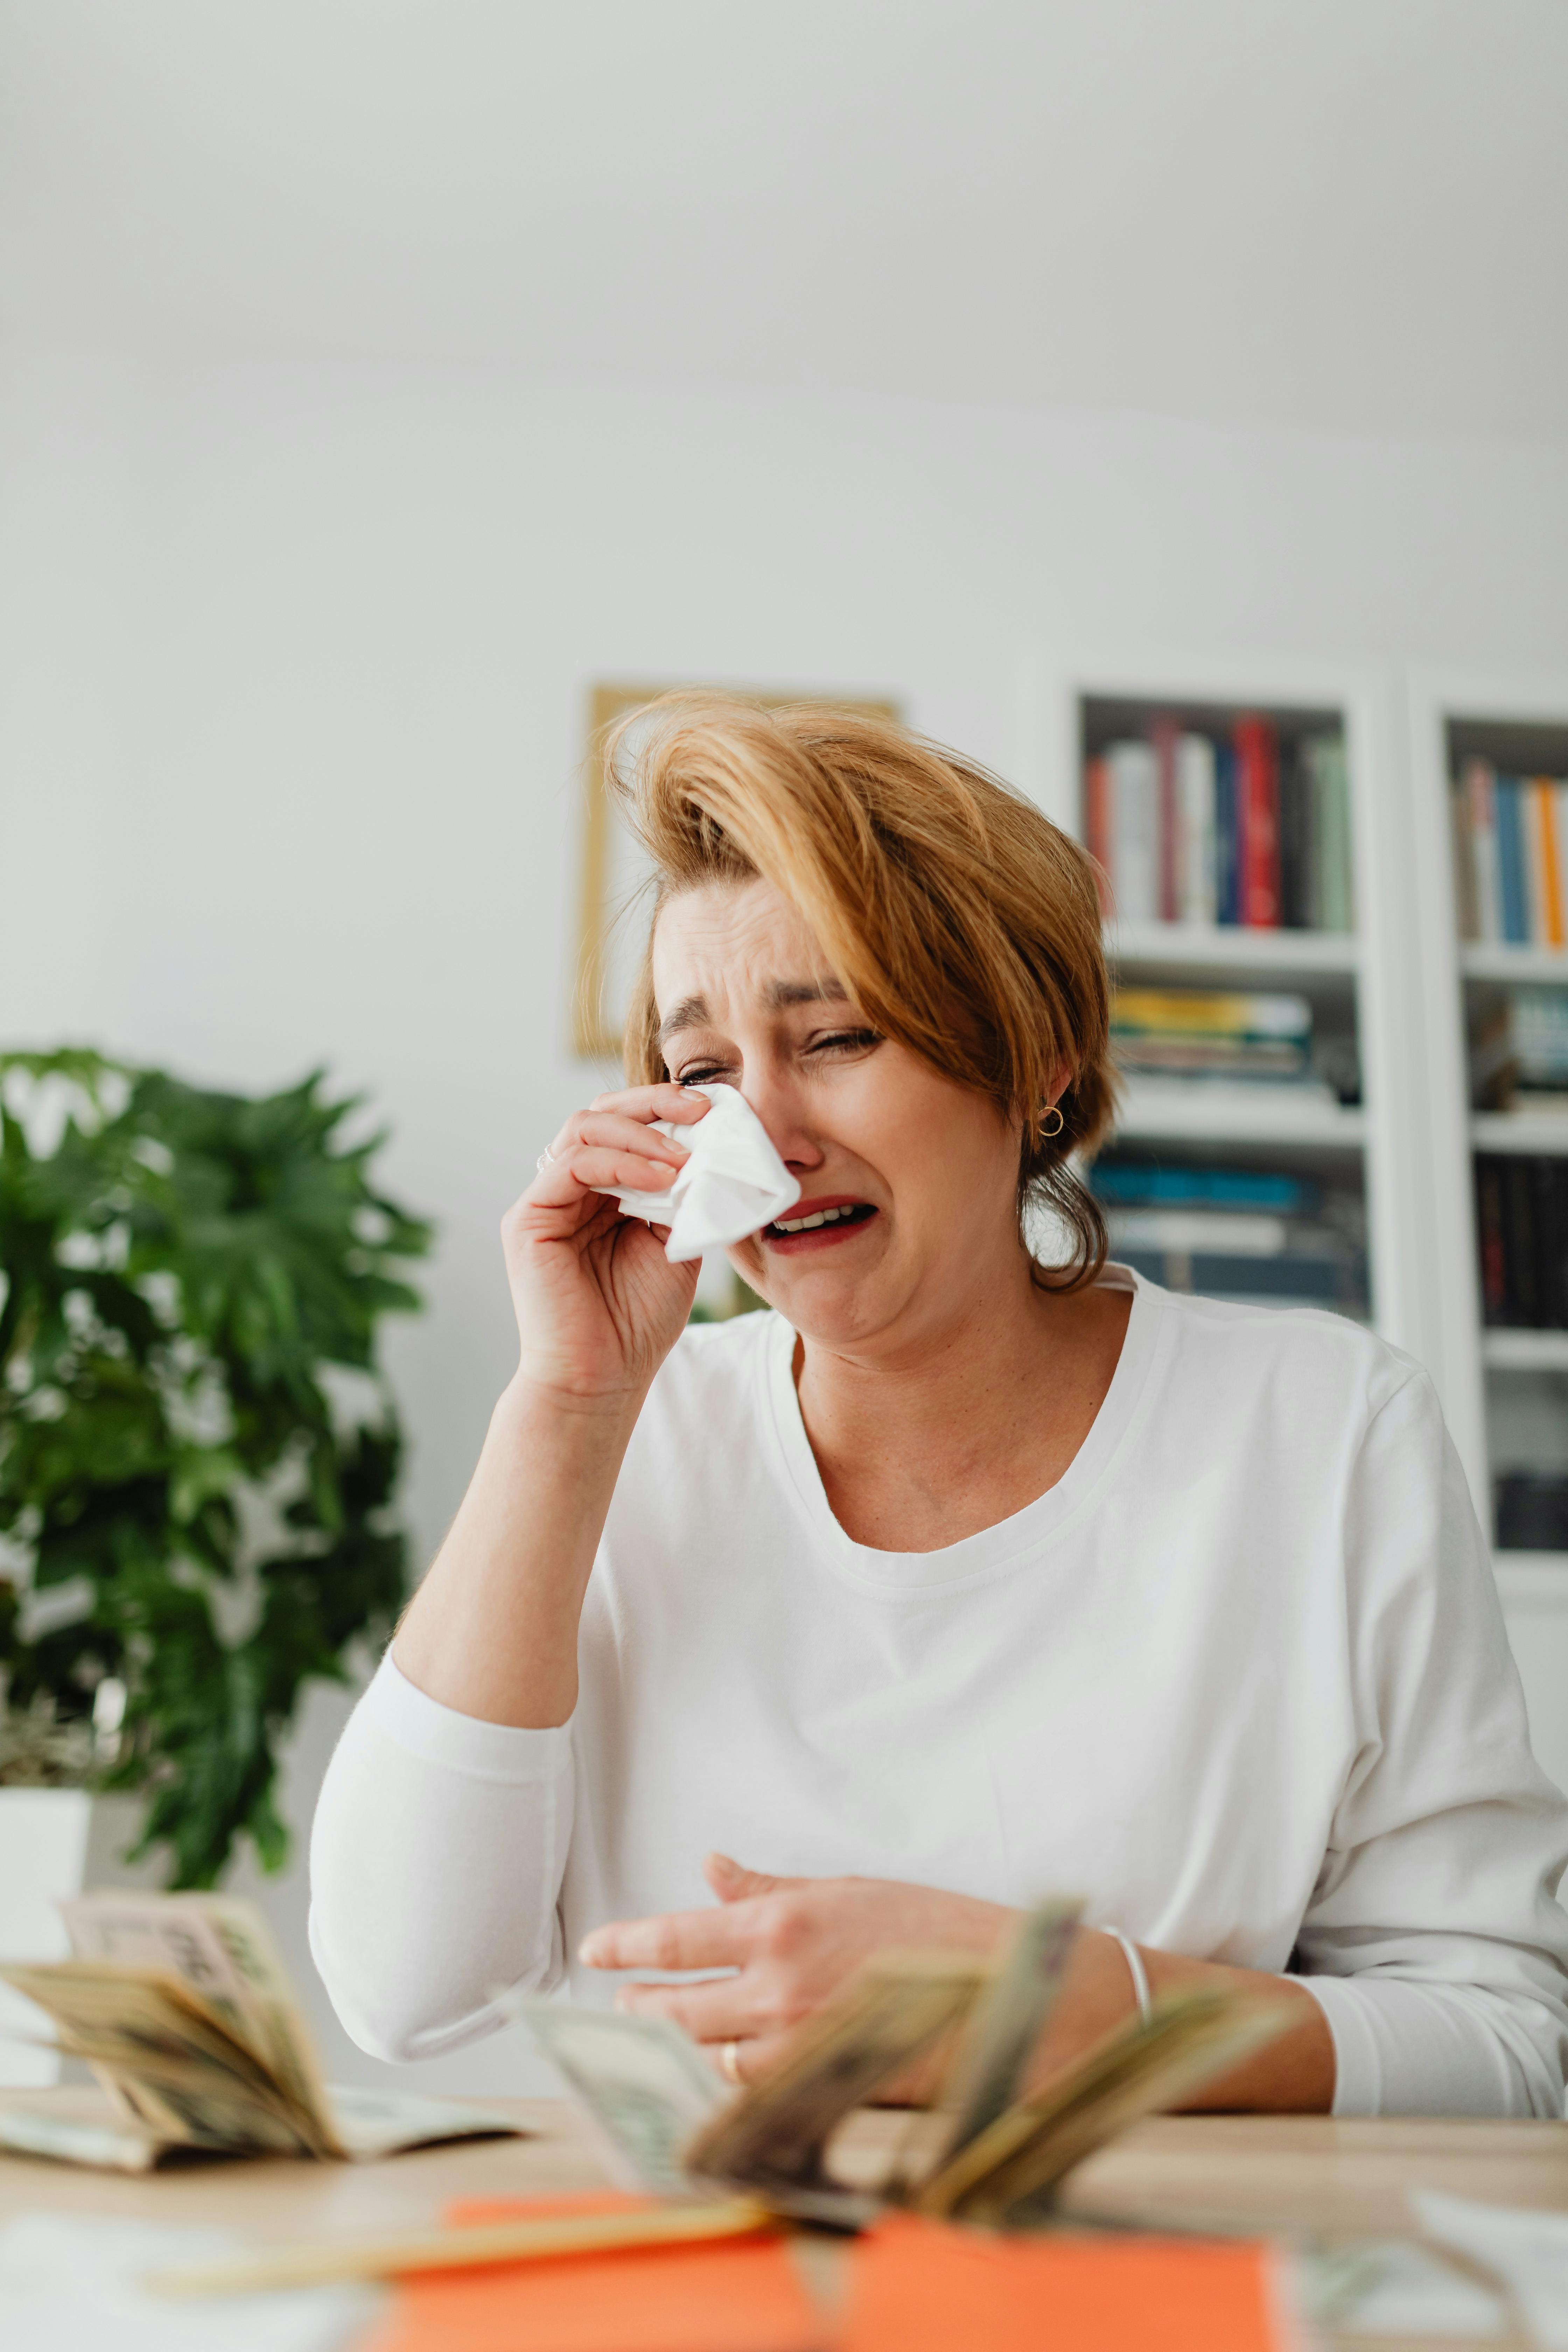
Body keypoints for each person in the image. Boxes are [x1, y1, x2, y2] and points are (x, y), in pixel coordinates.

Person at [310, 696, 1568, 2117]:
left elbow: (1511, 2054)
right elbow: (399, 1989)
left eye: (836, 1037)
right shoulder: (621, 1440)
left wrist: (1069, 2009)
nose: (765, 1142)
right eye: (702, 1072)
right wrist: (565, 1408)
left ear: (1034, 1063)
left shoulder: (1324, 1434)